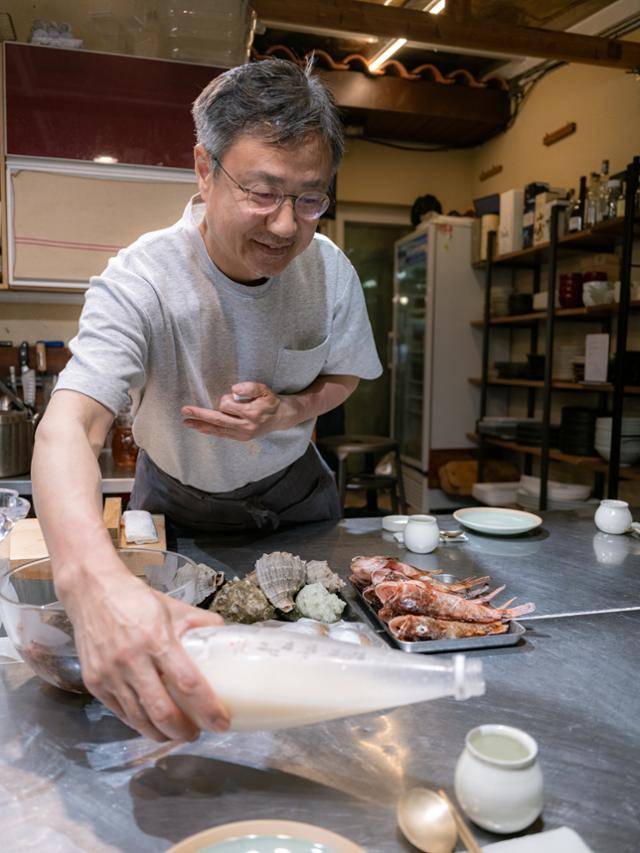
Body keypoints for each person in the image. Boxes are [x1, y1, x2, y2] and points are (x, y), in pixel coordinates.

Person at [31, 58, 382, 742]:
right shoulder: (143, 278)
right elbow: (70, 425)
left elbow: (345, 377)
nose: (286, 226)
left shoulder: (329, 270)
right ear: (204, 168)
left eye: (310, 199)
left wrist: (285, 411)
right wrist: (91, 583)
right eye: (263, 192)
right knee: (187, 686)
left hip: (298, 502)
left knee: (318, 684)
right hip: (177, 505)